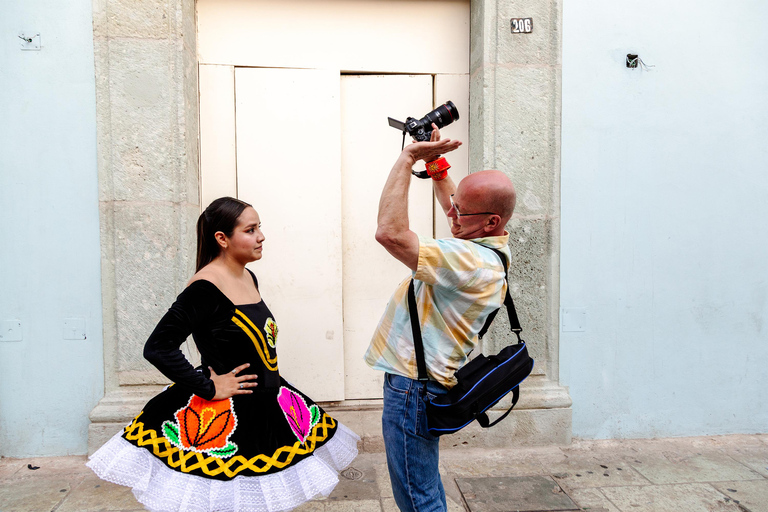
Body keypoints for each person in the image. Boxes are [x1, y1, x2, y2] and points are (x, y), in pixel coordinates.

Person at [88, 197, 360, 512]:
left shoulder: (248, 276)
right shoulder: (204, 288)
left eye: (259, 228)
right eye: (250, 230)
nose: (261, 237)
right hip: (228, 413)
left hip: (269, 404)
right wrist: (208, 387)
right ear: (222, 238)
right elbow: (158, 347)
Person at [365, 126, 516, 512]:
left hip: (413, 390)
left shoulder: (470, 260)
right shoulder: (487, 245)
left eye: (460, 211)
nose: (451, 213)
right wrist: (435, 164)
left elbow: (390, 233)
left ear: (491, 222)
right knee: (423, 487)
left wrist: (408, 159)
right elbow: (456, 206)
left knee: (418, 498)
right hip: (421, 385)